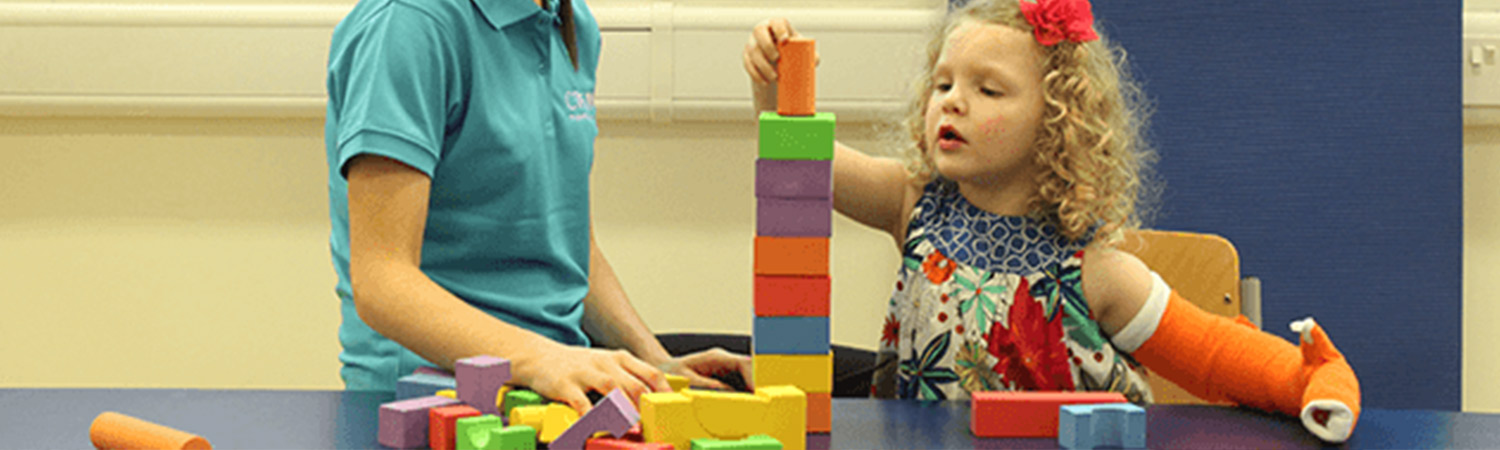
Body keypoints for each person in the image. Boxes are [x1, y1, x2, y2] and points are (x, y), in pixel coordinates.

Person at [742, 0, 1361, 442]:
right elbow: (804, 163)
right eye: (944, 83)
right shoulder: (912, 205)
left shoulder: (1096, 271)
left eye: (989, 90)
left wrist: (1313, 381)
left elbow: (1213, 354)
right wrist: (775, 90)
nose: (953, 100)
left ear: (1056, 123)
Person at [324, 0, 750, 415]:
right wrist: (540, 359)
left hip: (554, 388)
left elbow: (570, 246)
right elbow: (383, 281)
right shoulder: (408, 24)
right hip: (432, 399)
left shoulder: (571, 21)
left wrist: (656, 363)